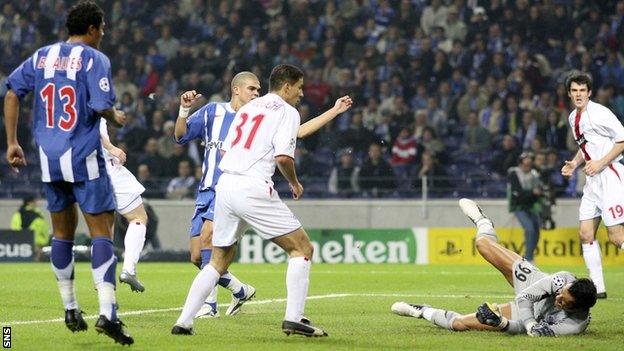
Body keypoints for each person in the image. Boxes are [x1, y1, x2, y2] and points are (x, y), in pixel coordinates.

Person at [171, 64, 352, 337]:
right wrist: (293, 182)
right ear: (287, 86)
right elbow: (283, 157)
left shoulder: (248, 109)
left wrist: (333, 111)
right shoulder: (287, 111)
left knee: (217, 261)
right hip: (252, 186)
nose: (302, 93)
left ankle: (184, 321)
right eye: (300, 87)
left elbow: (227, 152)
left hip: (226, 185)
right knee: (302, 248)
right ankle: (294, 318)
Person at [3, 1, 133, 345]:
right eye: (101, 28)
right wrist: (114, 116)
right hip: (84, 158)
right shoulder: (95, 59)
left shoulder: (41, 56)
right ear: (92, 29)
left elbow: (12, 91)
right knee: (101, 231)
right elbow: (100, 104)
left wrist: (12, 142)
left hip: (48, 159)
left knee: (61, 234)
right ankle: (108, 313)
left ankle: (71, 307)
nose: (103, 35)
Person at [391, 198, 597, 337]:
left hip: (533, 314)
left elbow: (525, 331)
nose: (559, 299)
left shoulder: (572, 326)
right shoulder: (563, 279)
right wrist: (531, 324)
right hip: (533, 283)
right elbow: (525, 297)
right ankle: (483, 221)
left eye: (565, 303)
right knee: (482, 245)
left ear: (578, 308)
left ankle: (421, 310)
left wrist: (501, 323)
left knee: (460, 324)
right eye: (562, 294)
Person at [560, 72, 624, 299]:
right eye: (574, 91)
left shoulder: (600, 113)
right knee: (586, 233)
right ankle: (598, 288)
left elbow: (622, 140)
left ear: (589, 93)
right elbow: (586, 145)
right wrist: (575, 163)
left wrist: (600, 163)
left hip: (610, 175)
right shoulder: (572, 118)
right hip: (593, 180)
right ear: (569, 93)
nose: (578, 95)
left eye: (582, 91)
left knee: (617, 237)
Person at [100, 118, 149, 292]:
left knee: (103, 230)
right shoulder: (93, 96)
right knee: (138, 217)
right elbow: (94, 129)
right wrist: (112, 147)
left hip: (85, 172)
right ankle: (129, 269)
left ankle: (102, 280)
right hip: (107, 168)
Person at [507, 152, 543, 263]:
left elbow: (539, 191)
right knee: (529, 228)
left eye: (529, 164)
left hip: (532, 206)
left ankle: (530, 255)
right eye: (525, 164)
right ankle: (528, 258)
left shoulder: (534, 174)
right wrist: (532, 193)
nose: (527, 166)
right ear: (520, 164)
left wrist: (533, 194)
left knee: (536, 230)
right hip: (519, 206)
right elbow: (519, 193)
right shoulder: (514, 174)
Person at [10, 196, 50, 261]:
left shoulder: (18, 213)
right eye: (34, 202)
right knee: (36, 257)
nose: (36, 203)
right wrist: (45, 239)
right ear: (30, 203)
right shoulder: (37, 215)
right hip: (37, 241)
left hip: (21, 241)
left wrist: (17, 238)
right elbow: (44, 228)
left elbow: (15, 227)